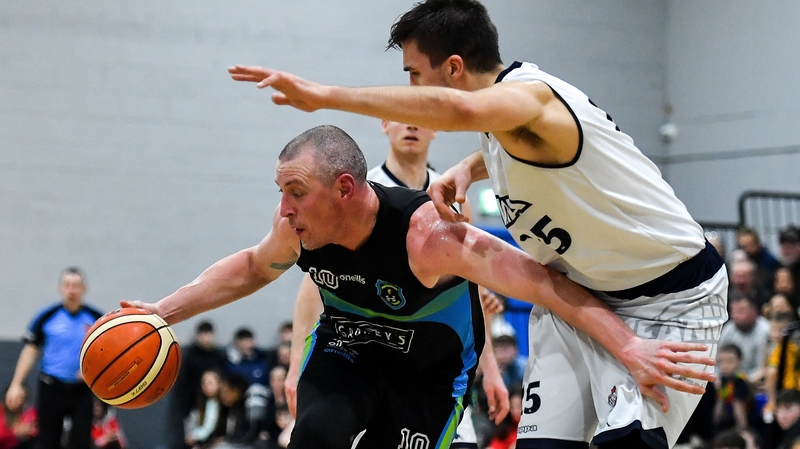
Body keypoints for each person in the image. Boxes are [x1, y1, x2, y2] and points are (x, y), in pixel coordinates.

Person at [227, 1, 730, 446]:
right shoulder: (505, 124)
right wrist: (468, 166)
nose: (410, 93)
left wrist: (323, 95)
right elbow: (503, 136)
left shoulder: (532, 97)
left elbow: (462, 109)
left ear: (453, 68)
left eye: (414, 75)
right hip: (580, 299)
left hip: (671, 296)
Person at [122, 125, 716, 449]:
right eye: (282, 192)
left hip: (426, 378)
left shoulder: (431, 236)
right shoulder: (297, 228)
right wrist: (163, 312)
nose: (284, 207)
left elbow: (545, 285)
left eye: (296, 191)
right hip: (347, 354)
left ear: (346, 188)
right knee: (315, 440)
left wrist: (629, 347)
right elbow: (252, 267)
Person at [284, 120, 502, 449]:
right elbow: (315, 282)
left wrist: (491, 367)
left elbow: (469, 298)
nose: (411, 125)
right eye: (402, 116)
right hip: (365, 356)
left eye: (421, 117)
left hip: (427, 362)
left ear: (436, 128)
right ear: (385, 125)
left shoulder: (450, 197)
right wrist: (295, 362)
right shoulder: (360, 191)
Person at [5, 267, 103, 449]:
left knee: (81, 442)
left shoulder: (96, 318)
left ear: (84, 289)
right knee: (47, 441)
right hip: (52, 387)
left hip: (82, 390)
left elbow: (108, 353)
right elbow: (30, 350)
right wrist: (16, 383)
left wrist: (94, 372)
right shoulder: (47, 316)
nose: (71, 290)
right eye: (67, 285)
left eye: (76, 285)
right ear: (60, 288)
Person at [169, 320, 227, 449]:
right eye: (203, 334)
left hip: (214, 403)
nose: (206, 337)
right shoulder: (191, 356)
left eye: (209, 334)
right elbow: (183, 383)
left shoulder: (217, 356)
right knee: (192, 440)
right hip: (194, 405)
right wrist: (186, 407)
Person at [718, 296, 772, 382]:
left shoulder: (765, 330)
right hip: (728, 381)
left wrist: (743, 383)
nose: (736, 315)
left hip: (755, 382)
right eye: (734, 312)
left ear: (754, 312)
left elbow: (762, 368)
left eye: (741, 312)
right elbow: (717, 361)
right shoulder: (728, 328)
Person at [713, 344, 759, 433]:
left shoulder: (740, 381)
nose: (725, 366)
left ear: (740, 361)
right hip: (728, 422)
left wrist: (743, 432)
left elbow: (739, 410)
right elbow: (720, 403)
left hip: (747, 424)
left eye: (730, 361)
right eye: (721, 361)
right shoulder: (724, 379)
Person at [737, 227, 781, 296]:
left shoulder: (769, 262)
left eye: (749, 244)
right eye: (742, 246)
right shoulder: (738, 259)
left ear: (757, 243)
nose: (746, 249)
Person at [185, 370, 222, 449]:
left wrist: (196, 436)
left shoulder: (223, 404)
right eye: (203, 383)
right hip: (206, 440)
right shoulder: (206, 402)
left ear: (219, 383)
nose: (205, 386)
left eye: (210, 383)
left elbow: (210, 426)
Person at [0, 384, 37, 449]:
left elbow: (37, 431)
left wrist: (29, 432)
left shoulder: (30, 413)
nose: (19, 401)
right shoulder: (1, 410)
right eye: (16, 397)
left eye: (22, 398)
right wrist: (14, 433)